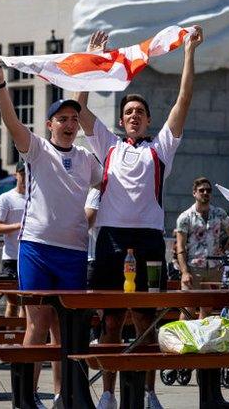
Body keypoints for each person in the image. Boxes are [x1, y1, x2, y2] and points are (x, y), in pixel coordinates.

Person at [74, 26, 203, 409]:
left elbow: (184, 99)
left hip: (148, 240)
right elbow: (79, 111)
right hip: (111, 239)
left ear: (148, 120)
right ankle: (109, 393)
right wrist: (92, 60)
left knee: (149, 323)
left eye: (139, 113)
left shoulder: (160, 149)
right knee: (112, 322)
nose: (133, 116)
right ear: (122, 119)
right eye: (128, 112)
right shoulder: (109, 145)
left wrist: (189, 52)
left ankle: (149, 393)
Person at [0, 55, 103, 408]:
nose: (69, 124)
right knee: (37, 324)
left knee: (65, 329)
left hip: (73, 251)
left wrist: (89, 61)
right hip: (37, 247)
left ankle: (61, 394)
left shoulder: (86, 158)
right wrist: (1, 83)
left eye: (73, 119)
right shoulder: (37, 150)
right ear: (49, 124)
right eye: (62, 119)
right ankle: (25, 397)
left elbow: (107, 188)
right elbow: (10, 122)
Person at [174, 177, 229, 316]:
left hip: (214, 268)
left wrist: (225, 252)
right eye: (201, 190)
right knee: (188, 308)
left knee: (207, 309)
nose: (205, 193)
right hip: (193, 267)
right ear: (194, 193)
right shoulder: (185, 217)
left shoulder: (219, 213)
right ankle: (184, 338)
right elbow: (180, 247)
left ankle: (202, 338)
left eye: (208, 190)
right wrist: (184, 272)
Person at [0, 161, 26, 317]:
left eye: (28, 174)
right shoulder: (6, 198)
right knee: (12, 303)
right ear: (16, 175)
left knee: (28, 304)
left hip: (29, 257)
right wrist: (20, 226)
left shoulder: (36, 198)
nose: (25, 177)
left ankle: (24, 339)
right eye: (22, 174)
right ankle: (8, 338)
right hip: (11, 257)